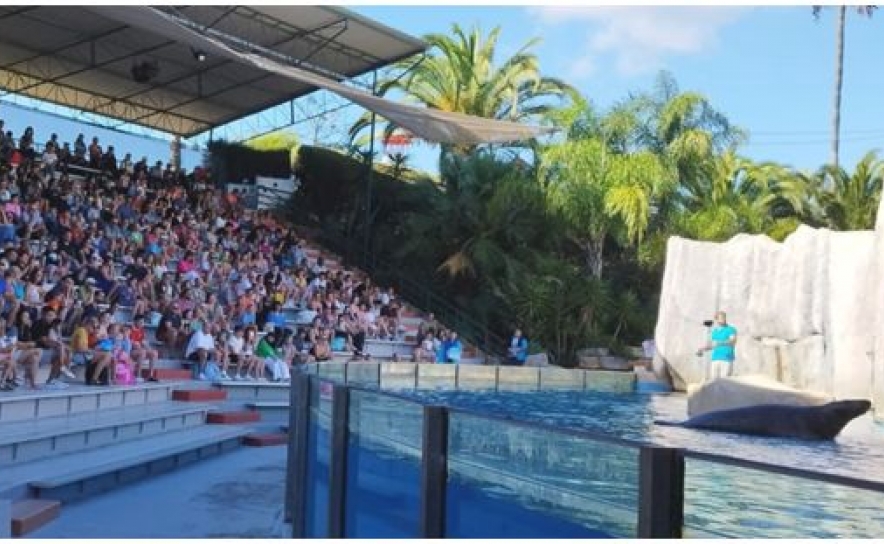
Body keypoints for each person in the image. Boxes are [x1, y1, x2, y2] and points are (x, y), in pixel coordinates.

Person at [697, 311, 737, 381]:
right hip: (715, 358)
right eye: (721, 318)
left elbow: (732, 341)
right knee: (714, 382)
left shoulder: (731, 329)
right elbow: (712, 345)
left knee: (725, 382)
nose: (723, 319)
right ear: (716, 319)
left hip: (726, 358)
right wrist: (702, 349)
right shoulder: (714, 332)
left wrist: (720, 342)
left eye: (724, 317)